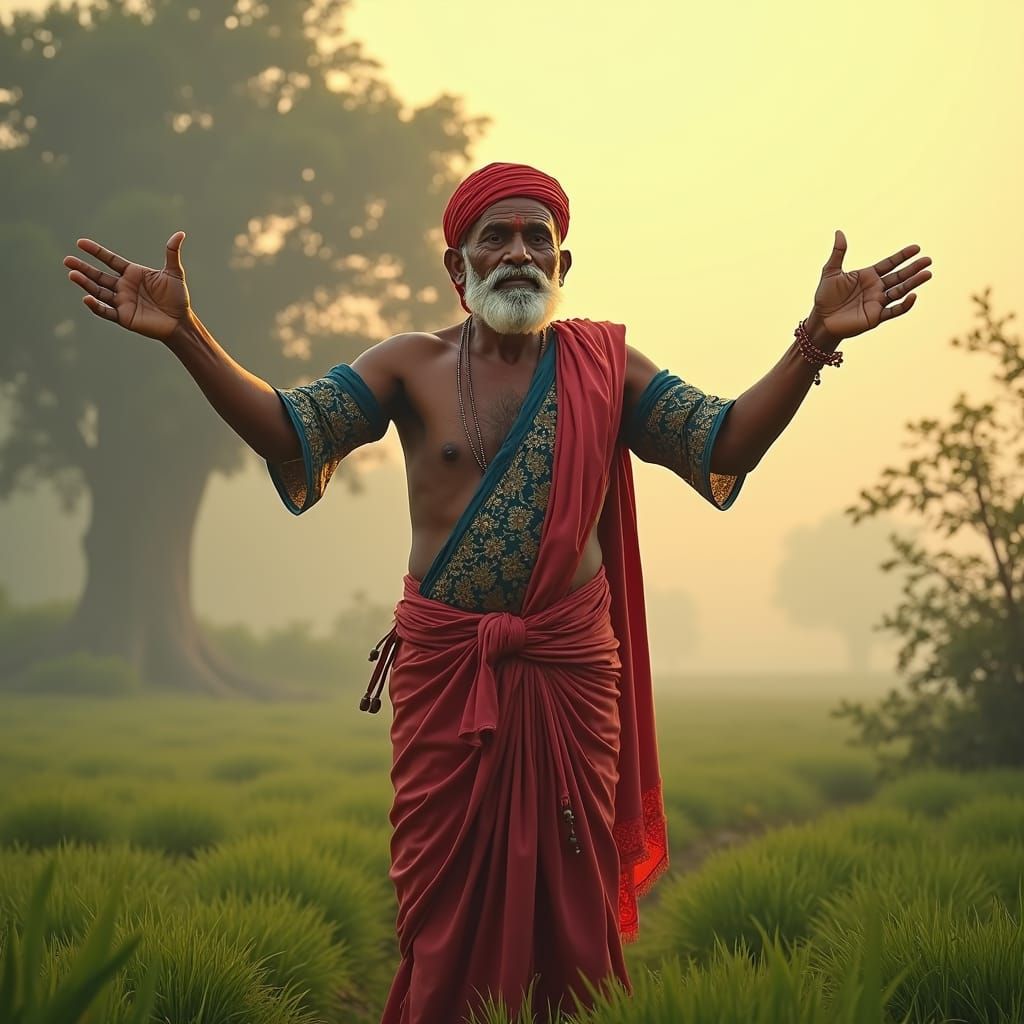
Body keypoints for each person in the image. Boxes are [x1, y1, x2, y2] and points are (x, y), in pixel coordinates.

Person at [62, 161, 932, 1023]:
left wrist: (815, 340)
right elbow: (288, 425)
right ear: (457, 265)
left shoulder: (607, 366)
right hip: (449, 677)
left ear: (562, 265)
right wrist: (186, 333)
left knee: (574, 910)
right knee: (440, 918)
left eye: (537, 238)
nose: (518, 252)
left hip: (568, 679)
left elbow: (725, 441)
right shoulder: (409, 364)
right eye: (496, 237)